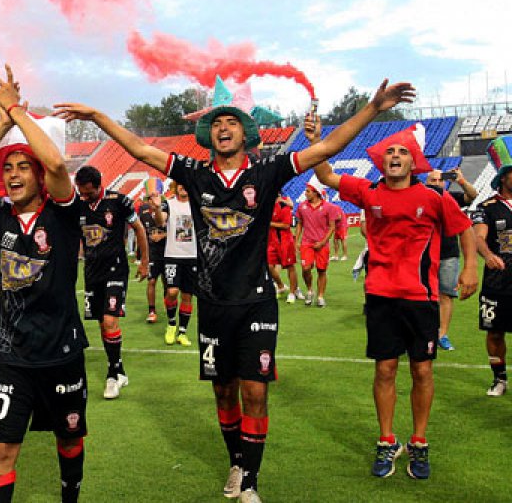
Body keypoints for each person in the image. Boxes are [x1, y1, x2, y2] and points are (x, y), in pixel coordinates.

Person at [55, 78, 416, 503]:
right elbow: (140, 150)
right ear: (210, 134)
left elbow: (326, 148)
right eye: (218, 122)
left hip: (257, 302)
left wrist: (373, 108)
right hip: (212, 303)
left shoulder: (268, 172)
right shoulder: (193, 172)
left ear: (247, 133)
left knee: (255, 391)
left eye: (233, 121)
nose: (225, 127)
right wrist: (98, 116)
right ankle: (237, 462)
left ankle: (251, 483)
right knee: (223, 390)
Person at [312, 119, 477, 481]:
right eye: (390, 151)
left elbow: (464, 229)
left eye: (403, 151)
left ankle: (419, 442)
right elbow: (325, 176)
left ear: (414, 161)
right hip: (381, 297)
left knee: (422, 370)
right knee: (384, 370)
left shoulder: (434, 197)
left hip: (422, 299)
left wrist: (469, 269)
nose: (396, 156)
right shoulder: (369, 191)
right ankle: (387, 441)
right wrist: (316, 140)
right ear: (381, 162)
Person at [0, 65, 89, 502]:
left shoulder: (63, 215)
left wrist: (15, 110)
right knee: (2, 454)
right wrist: (1, 125)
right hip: (10, 357)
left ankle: (70, 495)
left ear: (39, 179)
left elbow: (54, 161)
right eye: (7, 168)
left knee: (68, 441)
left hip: (61, 354)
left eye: (20, 168)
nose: (12, 175)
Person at [75, 165, 149, 399]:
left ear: (99, 185)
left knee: (109, 321)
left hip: (116, 270)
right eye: (82, 192)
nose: (85, 196)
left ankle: (112, 374)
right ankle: (120, 369)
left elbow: (139, 229)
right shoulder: (78, 206)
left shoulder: (119, 202)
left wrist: (144, 261)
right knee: (101, 323)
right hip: (92, 272)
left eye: (89, 192)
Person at [471, 142, 512, 397]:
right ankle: (500, 379)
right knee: (494, 332)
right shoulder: (487, 207)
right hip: (498, 279)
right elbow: (478, 238)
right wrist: (487, 255)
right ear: (504, 177)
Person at [426, 168, 478, 351]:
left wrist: (462, 181)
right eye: (433, 180)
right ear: (426, 182)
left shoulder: (450, 197)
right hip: (425, 255)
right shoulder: (423, 198)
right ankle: (425, 332)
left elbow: (473, 195)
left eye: (440, 180)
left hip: (448, 254)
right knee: (424, 295)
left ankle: (442, 334)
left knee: (446, 295)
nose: (437, 183)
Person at [153, 181, 198, 346]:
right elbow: (160, 222)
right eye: (180, 184)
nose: (183, 186)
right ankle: (171, 324)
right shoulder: (168, 204)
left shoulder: (197, 203)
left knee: (187, 295)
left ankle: (182, 332)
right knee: (172, 292)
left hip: (192, 256)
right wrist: (157, 208)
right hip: (172, 255)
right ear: (176, 187)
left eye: (185, 184)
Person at [295, 183, 335, 307]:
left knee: (321, 270)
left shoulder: (329, 207)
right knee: (305, 268)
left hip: (322, 244)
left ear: (316, 192)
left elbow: (332, 227)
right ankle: (310, 290)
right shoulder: (302, 207)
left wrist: (322, 242)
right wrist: (297, 240)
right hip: (307, 243)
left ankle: (320, 296)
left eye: (308, 191)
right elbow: (300, 223)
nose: (305, 193)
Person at [136, 180, 168, 324]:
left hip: (168, 251)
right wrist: (140, 256)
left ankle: (170, 308)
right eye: (150, 197)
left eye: (155, 195)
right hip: (152, 252)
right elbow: (140, 232)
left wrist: (163, 235)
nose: (152, 199)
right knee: (151, 281)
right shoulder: (142, 211)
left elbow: (177, 231)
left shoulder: (167, 207)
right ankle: (152, 311)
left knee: (167, 283)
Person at [267, 192, 301, 303]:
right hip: (271, 241)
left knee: (290, 266)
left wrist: (269, 223)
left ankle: (292, 292)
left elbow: (286, 225)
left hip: (284, 241)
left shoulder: (284, 205)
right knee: (269, 266)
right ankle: (281, 286)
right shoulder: (265, 204)